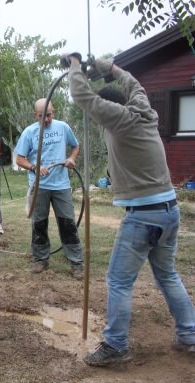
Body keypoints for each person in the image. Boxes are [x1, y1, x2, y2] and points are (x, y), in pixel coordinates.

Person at [68, 55, 195, 366]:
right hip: (169, 210)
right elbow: (134, 84)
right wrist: (108, 68)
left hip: (143, 215)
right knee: (166, 274)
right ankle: (190, 335)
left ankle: (115, 346)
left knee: (119, 280)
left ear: (110, 108)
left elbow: (82, 96)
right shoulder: (144, 110)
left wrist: (74, 64)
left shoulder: (119, 119)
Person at [15, 99, 84, 280]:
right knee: (39, 223)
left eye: (49, 115)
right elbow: (19, 159)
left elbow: (76, 146)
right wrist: (34, 167)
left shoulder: (62, 127)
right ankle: (41, 259)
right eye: (41, 116)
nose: (46, 119)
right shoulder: (29, 132)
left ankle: (76, 263)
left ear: (53, 112)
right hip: (39, 186)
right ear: (34, 115)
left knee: (67, 223)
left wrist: (72, 158)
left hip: (61, 186)